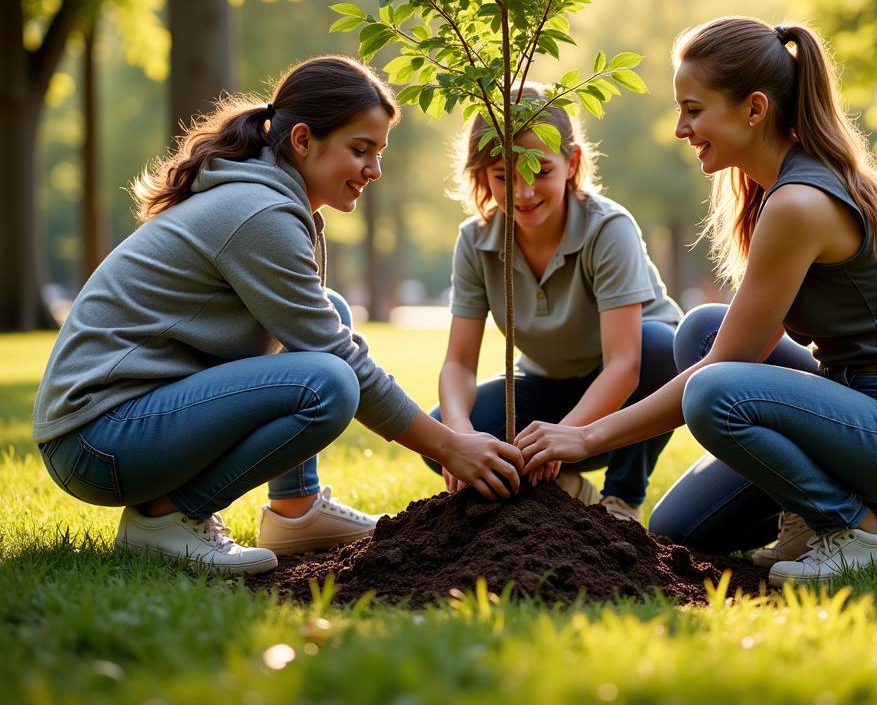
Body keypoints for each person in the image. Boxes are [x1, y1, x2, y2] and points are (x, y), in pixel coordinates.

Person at [515, 17, 877, 585]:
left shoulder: (799, 201)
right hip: (853, 397)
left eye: (694, 109)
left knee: (712, 387)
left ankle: (857, 530)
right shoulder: (776, 187)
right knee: (684, 520)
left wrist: (584, 436)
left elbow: (725, 371)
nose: (681, 128)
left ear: (754, 109)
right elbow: (744, 344)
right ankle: (806, 514)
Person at [33, 55, 523, 575]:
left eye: (378, 154)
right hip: (96, 439)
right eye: (360, 150)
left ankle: (297, 510)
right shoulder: (260, 214)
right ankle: (165, 519)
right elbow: (335, 357)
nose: (374, 171)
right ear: (304, 140)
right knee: (328, 383)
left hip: (122, 425)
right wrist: (449, 445)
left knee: (328, 311)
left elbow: (314, 327)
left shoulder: (280, 204)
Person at [425, 84, 682, 522]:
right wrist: (459, 435)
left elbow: (625, 364)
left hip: (629, 388)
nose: (523, 193)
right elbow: (460, 363)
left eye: (540, 171)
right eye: (504, 177)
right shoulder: (475, 239)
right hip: (549, 386)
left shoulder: (608, 228)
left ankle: (622, 501)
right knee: (442, 434)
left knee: (660, 345)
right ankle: (569, 490)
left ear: (572, 163)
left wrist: (567, 434)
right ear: (483, 176)